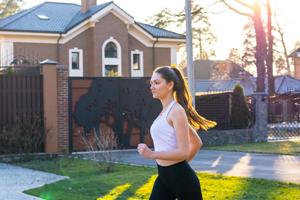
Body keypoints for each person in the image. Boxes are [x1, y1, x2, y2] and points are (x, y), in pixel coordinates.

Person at [137, 66, 217, 200]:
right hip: (164, 178)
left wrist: (153, 155)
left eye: (157, 83)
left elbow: (184, 152)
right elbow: (197, 142)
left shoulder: (176, 111)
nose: (152, 87)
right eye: (151, 83)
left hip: (183, 181)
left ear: (170, 85)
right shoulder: (165, 112)